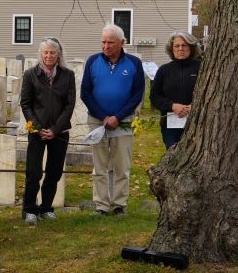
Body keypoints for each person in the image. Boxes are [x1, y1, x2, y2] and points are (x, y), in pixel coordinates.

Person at [80, 23, 146, 215]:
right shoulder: (93, 61)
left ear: (122, 43)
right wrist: (103, 116)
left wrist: (117, 116)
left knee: (121, 166)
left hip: (123, 122)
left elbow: (137, 94)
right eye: (103, 42)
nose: (106, 46)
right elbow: (85, 92)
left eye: (110, 42)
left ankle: (119, 205)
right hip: (97, 121)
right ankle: (101, 205)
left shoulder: (133, 63)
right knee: (99, 167)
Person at [19, 38, 75, 225]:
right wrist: (37, 127)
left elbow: (69, 105)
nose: (49, 56)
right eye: (46, 52)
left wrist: (55, 129)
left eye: (52, 52)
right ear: (40, 54)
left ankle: (46, 208)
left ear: (58, 54)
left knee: (54, 172)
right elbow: (25, 104)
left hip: (59, 132)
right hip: (36, 132)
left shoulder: (68, 75)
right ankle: (29, 210)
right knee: (33, 172)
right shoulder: (30, 75)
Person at [150, 31, 201, 149]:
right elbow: (154, 97)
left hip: (196, 121)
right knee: (173, 155)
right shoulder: (164, 70)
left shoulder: (201, 68)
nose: (180, 49)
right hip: (170, 123)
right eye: (176, 46)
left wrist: (194, 106)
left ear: (191, 47)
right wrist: (173, 106)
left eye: (184, 45)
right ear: (171, 49)